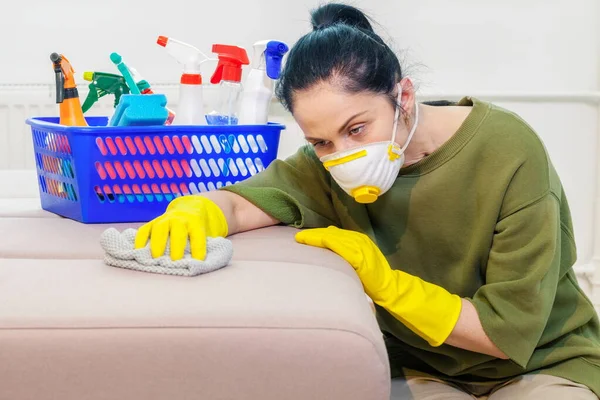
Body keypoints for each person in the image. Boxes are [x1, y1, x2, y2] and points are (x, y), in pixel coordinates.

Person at [134, 3, 600, 399]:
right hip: (421, 368)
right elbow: (241, 203)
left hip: (539, 362)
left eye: (357, 129)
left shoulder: (507, 151)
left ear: (405, 97)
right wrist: (195, 209)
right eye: (322, 141)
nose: (344, 157)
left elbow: (504, 333)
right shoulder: (321, 170)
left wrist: (387, 284)